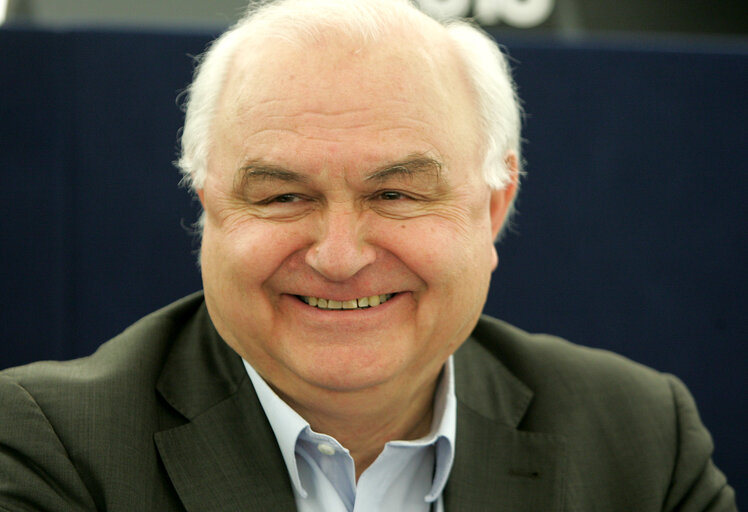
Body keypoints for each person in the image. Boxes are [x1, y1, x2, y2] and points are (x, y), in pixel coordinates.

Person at [0, 0, 737, 510]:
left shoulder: (640, 441)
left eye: (396, 195)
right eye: (283, 196)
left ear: (493, 205)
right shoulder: (49, 450)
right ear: (208, 204)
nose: (340, 256)